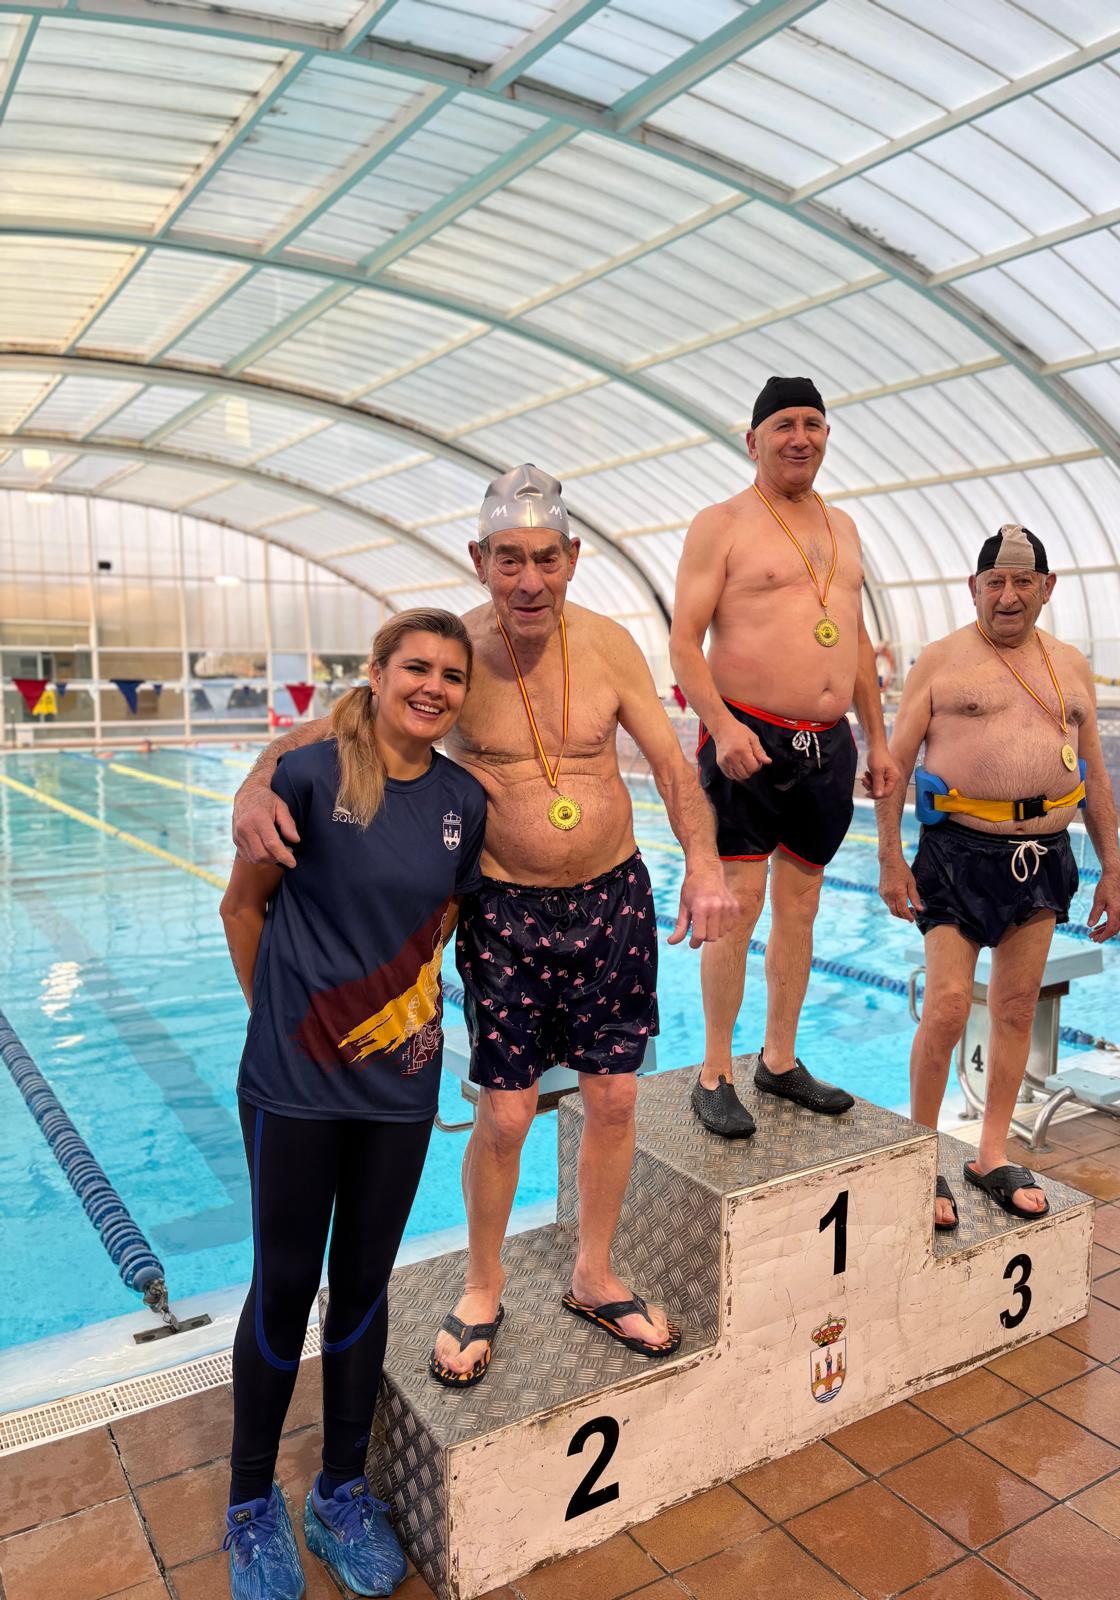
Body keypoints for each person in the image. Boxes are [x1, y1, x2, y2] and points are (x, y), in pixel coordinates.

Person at [233, 463, 737, 1391]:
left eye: (546, 558)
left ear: (573, 557)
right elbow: (332, 729)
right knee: (503, 1114)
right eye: (510, 560)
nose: (529, 580)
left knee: (615, 1099)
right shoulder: (452, 658)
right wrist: (255, 785)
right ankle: (482, 1284)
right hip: (505, 910)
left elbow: (673, 768)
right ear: (479, 559)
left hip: (614, 899)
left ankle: (593, 1272)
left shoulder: (612, 646)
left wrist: (704, 866)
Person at [219, 609, 485, 1599]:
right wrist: (283, 1023)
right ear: (375, 673)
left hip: (398, 1087)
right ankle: (251, 1504)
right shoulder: (305, 776)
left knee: (365, 1283)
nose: (433, 687)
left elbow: (438, 928)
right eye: (416, 666)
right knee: (284, 1284)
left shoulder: (462, 801)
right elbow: (242, 907)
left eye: (452, 675)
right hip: (293, 1084)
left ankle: (339, 1492)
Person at [875, 525, 1120, 1226]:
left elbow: (1096, 774)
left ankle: (990, 1153)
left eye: (1022, 582)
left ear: (1047, 588)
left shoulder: (1070, 665)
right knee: (948, 1006)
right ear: (974, 588)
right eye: (995, 582)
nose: (1007, 596)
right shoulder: (942, 661)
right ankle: (922, 1154)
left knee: (1016, 1008)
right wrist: (890, 857)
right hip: (956, 854)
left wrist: (1112, 871)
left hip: (1044, 856)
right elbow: (894, 766)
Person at [670, 375, 899, 1138]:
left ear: (826, 435)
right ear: (754, 441)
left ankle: (778, 1059)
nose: (800, 437)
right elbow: (684, 641)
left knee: (802, 904)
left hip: (827, 745)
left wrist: (877, 737)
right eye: (784, 426)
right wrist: (722, 726)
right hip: (749, 736)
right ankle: (714, 1071)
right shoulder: (722, 523)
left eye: (813, 424)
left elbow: (855, 642)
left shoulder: (844, 527)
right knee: (736, 906)